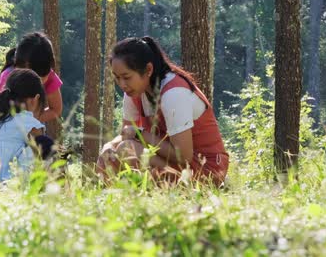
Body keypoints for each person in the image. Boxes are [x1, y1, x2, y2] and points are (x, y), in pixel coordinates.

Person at [97, 36, 229, 186]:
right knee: (108, 156)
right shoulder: (133, 93)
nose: (122, 84)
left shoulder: (174, 93)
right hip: (172, 165)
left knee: (128, 150)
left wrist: (140, 134)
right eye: (117, 78)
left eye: (127, 77)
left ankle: (145, 201)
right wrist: (108, 147)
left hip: (205, 171)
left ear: (148, 70)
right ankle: (117, 203)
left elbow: (183, 156)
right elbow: (126, 134)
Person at [0, 69, 54, 182]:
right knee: (46, 145)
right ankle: (62, 193)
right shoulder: (29, 124)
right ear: (35, 100)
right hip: (5, 190)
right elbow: (42, 156)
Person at [0, 32, 62, 123]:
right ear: (18, 66)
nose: (36, 84)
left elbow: (55, 109)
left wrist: (31, 120)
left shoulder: (50, 77)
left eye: (40, 80)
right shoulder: (7, 77)